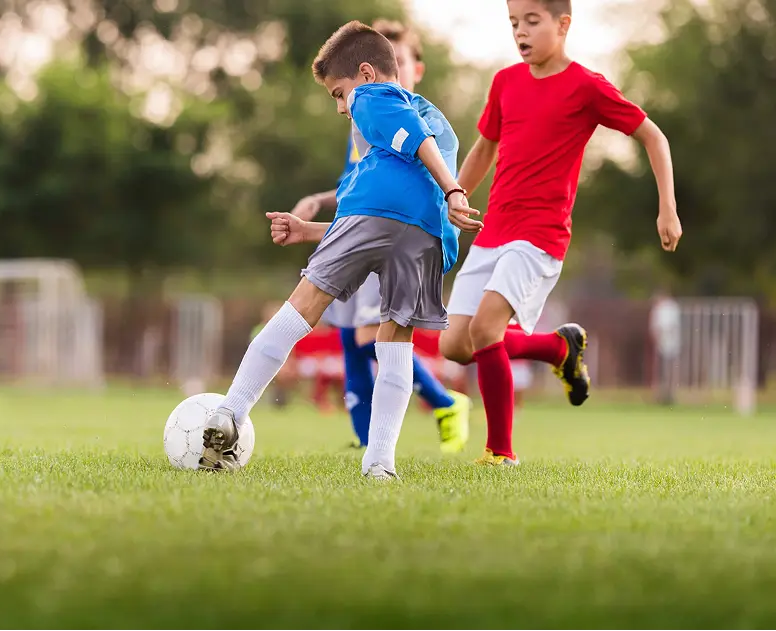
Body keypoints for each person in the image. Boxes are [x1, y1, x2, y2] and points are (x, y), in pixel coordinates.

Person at [200, 20, 480, 479]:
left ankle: (229, 413)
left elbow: (405, 154)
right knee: (395, 343)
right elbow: (402, 190)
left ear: (366, 74)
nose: (340, 107)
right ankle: (380, 464)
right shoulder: (438, 118)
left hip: (385, 213)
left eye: (337, 93)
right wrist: (310, 229)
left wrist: (455, 190)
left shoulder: (375, 96)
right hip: (426, 234)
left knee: (303, 307)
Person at [436, 0, 683, 466]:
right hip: (494, 230)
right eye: (513, 24)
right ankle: (557, 347)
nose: (520, 33)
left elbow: (654, 136)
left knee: (488, 327)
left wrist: (667, 208)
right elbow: (485, 147)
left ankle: (500, 453)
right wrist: (456, 194)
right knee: (455, 345)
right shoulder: (505, 82)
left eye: (532, 22)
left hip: (540, 235)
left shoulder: (586, 86)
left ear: (563, 24)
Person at [290, 20, 473, 454]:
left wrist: (453, 193)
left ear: (411, 68)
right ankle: (365, 438)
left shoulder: (418, 120)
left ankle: (442, 403)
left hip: (396, 232)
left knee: (369, 335)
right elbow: (360, 182)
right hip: (363, 221)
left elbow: (416, 177)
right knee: (349, 332)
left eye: (404, 60)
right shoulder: (365, 117)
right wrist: (319, 201)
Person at [649, 290, 681, 405]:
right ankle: (660, 395)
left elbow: (672, 326)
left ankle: (670, 394)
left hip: (671, 345)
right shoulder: (657, 309)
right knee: (660, 372)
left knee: (670, 371)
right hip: (660, 345)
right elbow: (655, 328)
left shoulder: (671, 307)